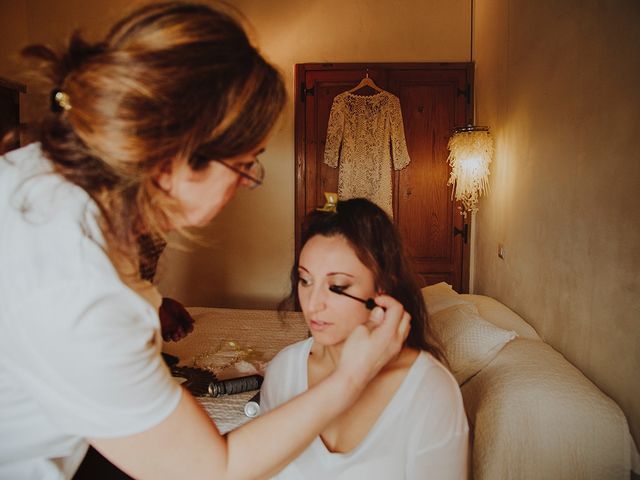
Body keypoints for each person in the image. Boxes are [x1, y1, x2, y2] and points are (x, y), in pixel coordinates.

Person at [0, 3, 410, 479]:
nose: (246, 183)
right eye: (245, 164)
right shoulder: (80, 283)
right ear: (176, 158)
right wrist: (352, 377)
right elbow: (210, 470)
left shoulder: (36, 173)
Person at [261, 198, 469, 479]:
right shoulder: (283, 371)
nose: (313, 304)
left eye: (337, 286)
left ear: (382, 286)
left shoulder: (429, 391)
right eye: (305, 280)